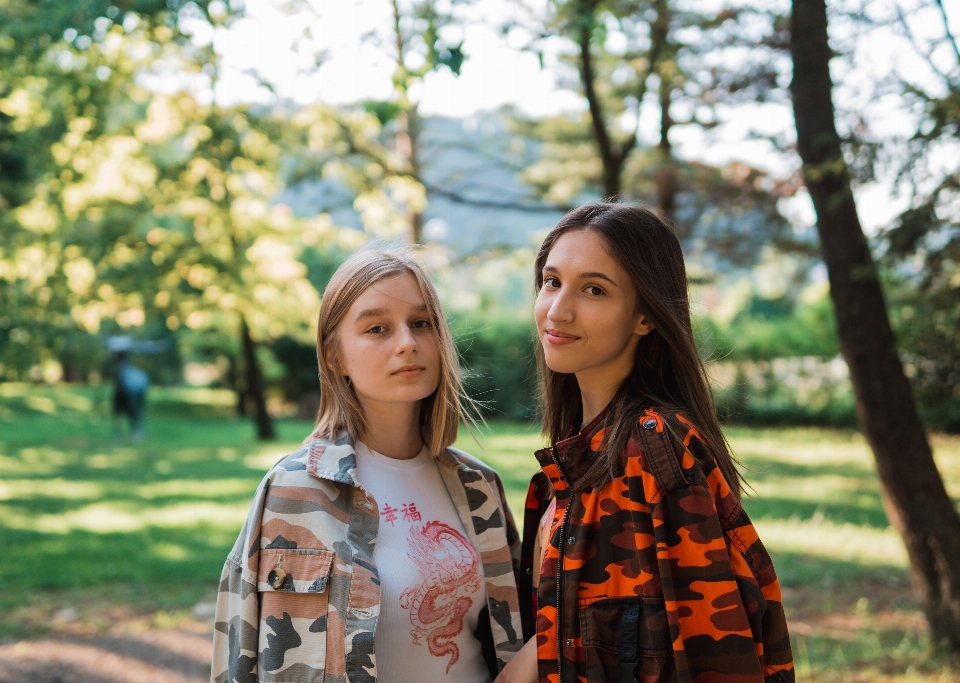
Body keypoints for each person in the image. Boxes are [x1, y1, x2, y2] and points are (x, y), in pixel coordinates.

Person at [500, 204, 794, 683]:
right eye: (552, 282)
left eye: (594, 289)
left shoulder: (655, 451)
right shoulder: (576, 462)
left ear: (644, 316)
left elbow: (714, 650)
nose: (558, 309)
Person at [212, 249, 524, 683]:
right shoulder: (292, 490)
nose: (407, 343)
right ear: (335, 355)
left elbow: (516, 644)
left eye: (421, 323)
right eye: (377, 328)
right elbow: (239, 658)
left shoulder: (478, 487)